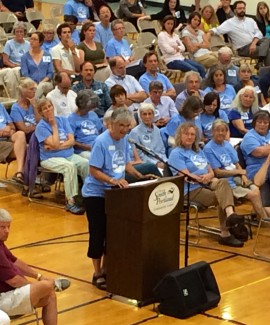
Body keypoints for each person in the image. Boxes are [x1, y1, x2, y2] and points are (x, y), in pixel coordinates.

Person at [82, 108, 157, 290]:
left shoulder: (124, 140)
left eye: (127, 126)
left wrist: (140, 176)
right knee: (98, 233)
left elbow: (125, 164)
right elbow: (94, 170)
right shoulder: (101, 142)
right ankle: (97, 272)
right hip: (96, 194)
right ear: (111, 124)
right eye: (121, 125)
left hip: (116, 193)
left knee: (113, 234)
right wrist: (112, 180)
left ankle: (109, 269)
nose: (124, 129)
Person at [168, 122, 244, 247]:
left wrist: (207, 176)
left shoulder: (198, 151)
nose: (190, 137)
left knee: (224, 183)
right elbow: (185, 175)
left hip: (207, 183)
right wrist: (200, 178)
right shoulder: (176, 153)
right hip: (191, 189)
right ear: (180, 136)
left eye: (192, 134)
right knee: (223, 196)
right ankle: (226, 232)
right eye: (186, 134)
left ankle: (230, 217)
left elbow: (211, 171)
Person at [0, 208, 71, 323]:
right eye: (2, 227)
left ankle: (51, 286)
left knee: (50, 296)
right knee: (46, 288)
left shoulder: (1, 243)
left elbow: (15, 261)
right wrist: (36, 287)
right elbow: (14, 281)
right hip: (3, 299)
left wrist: (39, 276)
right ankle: (53, 284)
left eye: (8, 227)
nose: (7, 231)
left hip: (10, 295)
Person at [203, 119, 267, 221]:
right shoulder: (208, 148)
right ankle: (264, 220)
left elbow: (237, 164)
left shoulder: (228, 145)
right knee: (254, 194)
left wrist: (243, 176)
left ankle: (260, 217)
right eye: (218, 130)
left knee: (255, 188)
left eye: (223, 130)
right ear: (212, 132)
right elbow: (217, 172)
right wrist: (239, 172)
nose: (221, 133)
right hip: (226, 183)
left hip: (237, 177)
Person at [35, 98, 89, 215]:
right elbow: (55, 143)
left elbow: (72, 141)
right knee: (69, 167)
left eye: (50, 106)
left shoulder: (63, 120)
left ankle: (88, 195)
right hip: (49, 158)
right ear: (41, 113)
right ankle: (71, 202)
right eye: (45, 108)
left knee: (86, 164)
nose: (49, 109)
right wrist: (53, 125)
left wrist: (56, 146)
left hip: (68, 154)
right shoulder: (41, 127)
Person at [210, 1, 270, 67]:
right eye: (240, 8)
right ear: (235, 10)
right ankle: (263, 67)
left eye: (243, 8)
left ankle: (261, 62)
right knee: (268, 51)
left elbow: (259, 33)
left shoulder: (250, 20)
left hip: (255, 44)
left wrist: (253, 43)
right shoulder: (230, 23)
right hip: (243, 48)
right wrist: (208, 33)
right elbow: (216, 30)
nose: (242, 10)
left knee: (267, 39)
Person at [240, 111, 270, 217]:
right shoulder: (249, 137)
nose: (262, 125)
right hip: (256, 171)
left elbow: (264, 150)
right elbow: (259, 152)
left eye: (265, 122)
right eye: (260, 122)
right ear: (254, 123)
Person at [129, 103, 167, 169]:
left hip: (160, 161)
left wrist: (164, 161)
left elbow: (162, 150)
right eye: (144, 114)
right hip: (145, 163)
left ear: (153, 115)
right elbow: (139, 155)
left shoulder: (157, 130)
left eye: (149, 114)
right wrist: (156, 163)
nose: (147, 117)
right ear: (140, 116)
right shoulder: (135, 132)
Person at [68, 90, 103, 160]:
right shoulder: (71, 119)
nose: (92, 108)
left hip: (98, 146)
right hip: (83, 150)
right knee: (97, 158)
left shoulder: (93, 114)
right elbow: (72, 141)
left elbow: (100, 132)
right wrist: (86, 146)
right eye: (90, 106)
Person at [20, 32, 54, 100]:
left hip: (45, 83)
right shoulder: (25, 57)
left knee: (41, 86)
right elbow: (25, 74)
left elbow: (50, 73)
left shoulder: (46, 55)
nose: (32, 41)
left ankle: (33, 101)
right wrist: (34, 84)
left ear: (40, 42)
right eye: (31, 39)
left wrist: (42, 82)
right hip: (30, 83)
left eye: (35, 39)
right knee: (41, 97)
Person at [0, 103, 27, 184]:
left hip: (7, 138)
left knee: (20, 134)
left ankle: (19, 173)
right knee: (28, 149)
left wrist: (9, 131)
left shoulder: (0, 106)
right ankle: (27, 178)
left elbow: (12, 127)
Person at [2, 22, 30, 98]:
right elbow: (5, 60)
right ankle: (15, 97)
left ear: (24, 33)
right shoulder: (9, 43)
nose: (19, 33)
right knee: (16, 70)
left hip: (25, 67)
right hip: (13, 67)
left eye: (21, 31)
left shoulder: (28, 44)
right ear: (14, 32)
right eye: (17, 31)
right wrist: (15, 65)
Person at [10, 78, 41, 143]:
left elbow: (40, 121)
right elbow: (24, 129)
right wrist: (37, 127)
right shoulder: (15, 108)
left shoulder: (35, 102)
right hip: (28, 136)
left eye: (35, 89)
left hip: (38, 131)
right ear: (23, 91)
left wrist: (35, 107)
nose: (34, 91)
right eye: (31, 89)